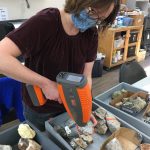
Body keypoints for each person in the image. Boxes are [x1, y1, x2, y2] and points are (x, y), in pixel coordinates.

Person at [0, 0, 120, 131]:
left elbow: (87, 77)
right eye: (92, 11)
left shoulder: (90, 33)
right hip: (40, 109)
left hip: (71, 106)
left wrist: (85, 108)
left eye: (100, 19)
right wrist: (45, 84)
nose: (93, 21)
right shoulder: (44, 22)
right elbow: (2, 57)